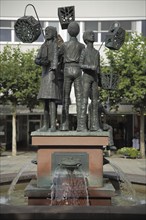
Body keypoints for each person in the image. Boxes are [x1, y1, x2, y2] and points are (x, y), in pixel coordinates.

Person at [58, 21, 85, 131]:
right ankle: (81, 125)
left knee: (65, 98)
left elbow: (57, 56)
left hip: (67, 69)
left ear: (68, 32)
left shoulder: (64, 45)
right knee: (79, 99)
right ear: (78, 32)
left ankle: (64, 125)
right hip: (78, 70)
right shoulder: (82, 46)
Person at [35, 26, 60, 132]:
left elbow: (56, 58)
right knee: (45, 100)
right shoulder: (43, 46)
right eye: (45, 31)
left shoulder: (55, 45)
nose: (46, 33)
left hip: (51, 74)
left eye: (48, 31)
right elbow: (36, 59)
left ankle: (53, 125)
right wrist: (41, 62)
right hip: (45, 75)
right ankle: (46, 125)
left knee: (52, 100)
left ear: (53, 33)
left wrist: (53, 66)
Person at [77, 31, 101, 131]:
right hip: (86, 77)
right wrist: (90, 67)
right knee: (84, 100)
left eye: (93, 34)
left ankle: (94, 125)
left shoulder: (96, 52)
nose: (93, 35)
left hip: (94, 78)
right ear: (86, 39)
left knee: (95, 102)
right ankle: (82, 125)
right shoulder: (84, 51)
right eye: (90, 34)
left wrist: (100, 78)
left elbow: (99, 68)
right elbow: (80, 64)